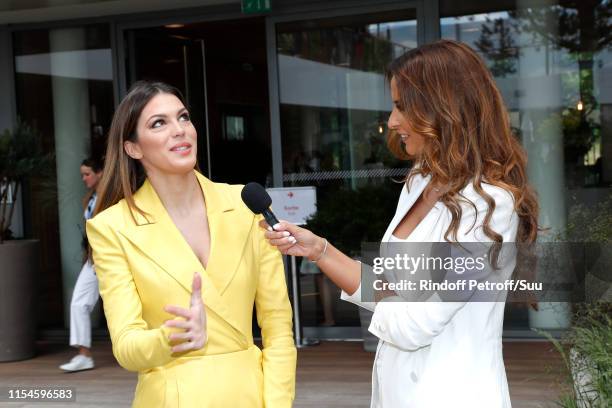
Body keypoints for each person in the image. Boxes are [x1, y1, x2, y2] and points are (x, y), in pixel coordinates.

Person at [261, 39, 539, 408]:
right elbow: (391, 287)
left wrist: (389, 297)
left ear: (444, 108)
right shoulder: (420, 181)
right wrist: (319, 251)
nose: (392, 121)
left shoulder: (490, 204)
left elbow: (414, 326)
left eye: (401, 106)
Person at [86, 81, 296, 407]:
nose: (179, 130)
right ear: (133, 148)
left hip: (250, 396)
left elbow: (279, 329)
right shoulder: (111, 228)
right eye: (159, 123)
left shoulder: (245, 205)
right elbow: (126, 347)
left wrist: (278, 403)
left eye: (183, 117)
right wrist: (173, 337)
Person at [59, 157, 103, 372]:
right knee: (78, 303)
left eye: (87, 173)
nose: (84, 178)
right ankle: (84, 355)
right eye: (82, 174)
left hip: (112, 256)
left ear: (100, 173)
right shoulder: (90, 198)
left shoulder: (112, 196)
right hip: (94, 258)